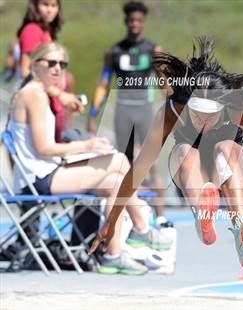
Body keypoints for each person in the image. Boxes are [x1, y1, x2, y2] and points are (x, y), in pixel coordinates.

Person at [89, 38, 243, 268]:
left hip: (227, 168)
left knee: (225, 148)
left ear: (223, 107)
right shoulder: (173, 110)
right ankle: (202, 213)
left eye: (209, 116)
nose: (201, 122)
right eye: (196, 114)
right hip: (189, 172)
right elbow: (139, 169)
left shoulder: (239, 110)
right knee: (186, 150)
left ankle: (241, 227)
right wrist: (113, 220)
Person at [8, 42, 171, 275]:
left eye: (62, 64)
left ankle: (113, 254)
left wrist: (82, 142)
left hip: (46, 171)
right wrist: (86, 145)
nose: (57, 69)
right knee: (121, 162)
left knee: (116, 180)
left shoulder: (38, 91)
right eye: (51, 63)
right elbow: (43, 148)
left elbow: (47, 142)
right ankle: (142, 229)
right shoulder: (34, 95)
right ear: (35, 64)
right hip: (37, 179)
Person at [86, 1, 170, 227]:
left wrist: (175, 107)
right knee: (125, 162)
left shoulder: (154, 50)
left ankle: (161, 216)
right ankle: (128, 214)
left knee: (151, 162)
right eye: (131, 20)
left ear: (144, 22)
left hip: (145, 108)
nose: (134, 24)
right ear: (126, 21)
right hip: (123, 108)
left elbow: (164, 82)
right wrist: (93, 114)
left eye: (139, 20)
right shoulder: (113, 52)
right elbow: (104, 84)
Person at [17, 0, 80, 142]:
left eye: (54, 6)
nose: (49, 10)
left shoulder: (45, 31)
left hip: (53, 102)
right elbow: (26, 71)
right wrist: (60, 94)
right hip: (43, 103)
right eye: (45, 4)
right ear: (35, 6)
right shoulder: (32, 30)